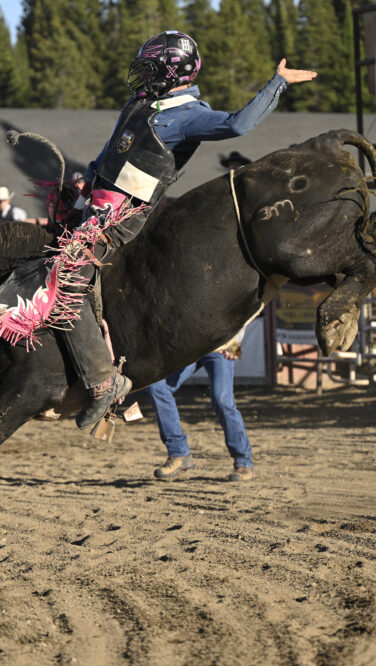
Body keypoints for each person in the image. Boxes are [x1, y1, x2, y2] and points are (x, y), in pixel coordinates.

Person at [54, 30, 317, 430]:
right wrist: (82, 184)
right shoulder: (139, 105)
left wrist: (276, 82)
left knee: (70, 277)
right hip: (93, 207)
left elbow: (238, 125)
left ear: (171, 74)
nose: (140, 77)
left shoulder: (188, 115)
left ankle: (103, 382)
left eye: (149, 70)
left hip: (122, 218)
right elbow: (109, 156)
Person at [147, 331, 255, 482]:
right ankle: (179, 453)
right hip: (190, 348)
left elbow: (241, 310)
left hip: (220, 347)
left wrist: (235, 343)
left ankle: (244, 462)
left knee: (222, 400)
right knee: (157, 386)